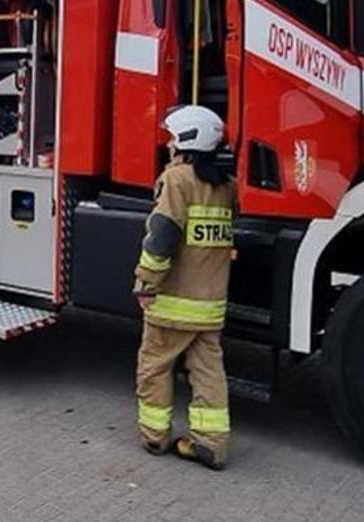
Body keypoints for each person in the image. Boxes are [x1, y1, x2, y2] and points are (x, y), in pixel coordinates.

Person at [133, 105, 237, 470]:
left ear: (187, 140)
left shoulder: (177, 180)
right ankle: (210, 442)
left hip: (173, 302)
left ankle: (154, 435)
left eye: (173, 137)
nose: (168, 144)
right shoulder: (226, 187)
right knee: (209, 372)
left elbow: (162, 237)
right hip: (210, 306)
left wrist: (146, 283)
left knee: (154, 366)